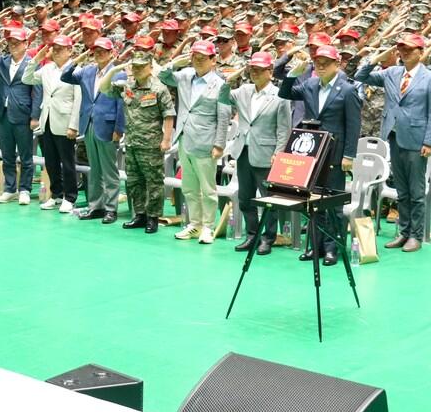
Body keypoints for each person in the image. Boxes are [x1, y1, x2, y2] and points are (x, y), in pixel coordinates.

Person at [355, 33, 431, 254]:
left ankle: (416, 235)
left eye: (409, 49)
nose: (404, 52)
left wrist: (430, 141)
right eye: (401, 49)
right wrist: (378, 56)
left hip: (417, 140)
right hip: (394, 137)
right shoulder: (391, 73)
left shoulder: (430, 78)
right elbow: (361, 75)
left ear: (420, 52)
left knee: (416, 191)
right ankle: (403, 232)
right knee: (401, 190)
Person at [277, 44, 362, 261]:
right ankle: (316, 246)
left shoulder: (348, 90)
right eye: (318, 62)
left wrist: (349, 155)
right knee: (313, 202)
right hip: (313, 152)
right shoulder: (310, 85)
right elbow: (284, 92)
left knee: (332, 203)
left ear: (337, 64)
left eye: (326, 62)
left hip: (335, 153)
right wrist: (293, 74)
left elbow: (353, 125)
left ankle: (333, 247)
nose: (321, 66)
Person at [221, 51, 293, 255]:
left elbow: (283, 129)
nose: (255, 73)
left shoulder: (281, 96)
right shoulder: (243, 90)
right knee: (245, 198)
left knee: (268, 199)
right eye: (252, 69)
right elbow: (222, 97)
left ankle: (268, 238)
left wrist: (279, 153)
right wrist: (231, 78)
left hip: (267, 153)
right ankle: (251, 235)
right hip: (243, 150)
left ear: (270, 71)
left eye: (259, 70)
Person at [160, 40, 230, 245]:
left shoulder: (221, 84)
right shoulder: (185, 76)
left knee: (208, 189)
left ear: (213, 60)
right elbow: (162, 76)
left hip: (206, 143)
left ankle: (208, 226)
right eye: (195, 57)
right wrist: (175, 62)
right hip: (184, 138)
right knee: (189, 187)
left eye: (202, 57)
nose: (198, 61)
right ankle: (195, 224)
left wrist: (219, 144)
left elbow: (224, 117)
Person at [101, 49, 175, 233]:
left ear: (150, 67)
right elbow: (103, 88)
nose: (138, 70)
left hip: (151, 144)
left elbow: (168, 115)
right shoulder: (127, 86)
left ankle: (153, 218)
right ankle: (140, 215)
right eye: (135, 66)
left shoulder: (159, 88)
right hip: (132, 142)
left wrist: (166, 140)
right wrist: (113, 69)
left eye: (142, 66)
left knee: (154, 183)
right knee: (134, 182)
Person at [61, 36, 126, 222]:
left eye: (103, 51)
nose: (99, 54)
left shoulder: (118, 73)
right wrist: (78, 60)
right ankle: (95, 206)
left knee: (109, 170)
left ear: (111, 53)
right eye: (96, 51)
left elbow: (121, 104)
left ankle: (111, 208)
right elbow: (65, 76)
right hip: (89, 123)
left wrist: (119, 128)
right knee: (94, 169)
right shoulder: (87, 71)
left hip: (107, 124)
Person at [24, 35, 81, 211]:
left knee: (67, 161)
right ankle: (56, 194)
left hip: (65, 121)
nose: (56, 52)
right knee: (51, 161)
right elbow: (26, 79)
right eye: (54, 49)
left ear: (70, 50)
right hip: (47, 120)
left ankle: (70, 197)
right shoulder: (47, 68)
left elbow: (78, 100)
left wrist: (74, 125)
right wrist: (36, 59)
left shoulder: (77, 70)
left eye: (60, 49)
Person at [0, 27, 41, 205]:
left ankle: (25, 189)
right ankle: (10, 189)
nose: (13, 45)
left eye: (17, 42)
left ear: (26, 44)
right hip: (3, 114)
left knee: (26, 155)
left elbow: (38, 91)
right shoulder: (1, 61)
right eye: (10, 42)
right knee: (7, 154)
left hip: (22, 114)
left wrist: (35, 116)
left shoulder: (32, 63)